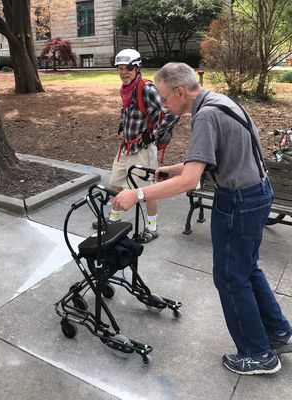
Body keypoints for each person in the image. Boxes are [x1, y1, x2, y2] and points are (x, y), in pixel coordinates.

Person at [113, 62, 292, 374]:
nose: (165, 107)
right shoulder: (219, 101)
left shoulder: (206, 115)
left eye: (166, 99)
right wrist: (176, 166)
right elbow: (211, 159)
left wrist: (138, 194)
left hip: (238, 201)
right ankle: (279, 332)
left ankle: (259, 354)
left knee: (230, 277)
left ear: (181, 91)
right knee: (247, 269)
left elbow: (189, 183)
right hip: (257, 193)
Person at [93, 48, 178, 243]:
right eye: (120, 68)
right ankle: (113, 220)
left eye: (127, 68)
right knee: (115, 184)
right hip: (125, 147)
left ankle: (152, 227)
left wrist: (153, 135)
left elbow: (173, 112)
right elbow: (128, 110)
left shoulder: (146, 89)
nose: (123, 73)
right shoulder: (125, 89)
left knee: (147, 191)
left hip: (142, 150)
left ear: (137, 68)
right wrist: (122, 125)